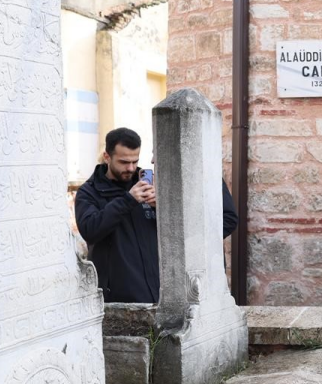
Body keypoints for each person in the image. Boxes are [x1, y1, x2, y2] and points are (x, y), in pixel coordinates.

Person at [75, 128, 238, 303]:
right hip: (118, 295)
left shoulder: (150, 183)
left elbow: (175, 233)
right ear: (107, 157)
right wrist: (128, 200)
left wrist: (160, 208)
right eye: (123, 162)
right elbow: (90, 230)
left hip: (160, 291)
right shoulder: (88, 191)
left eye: (134, 161)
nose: (130, 168)